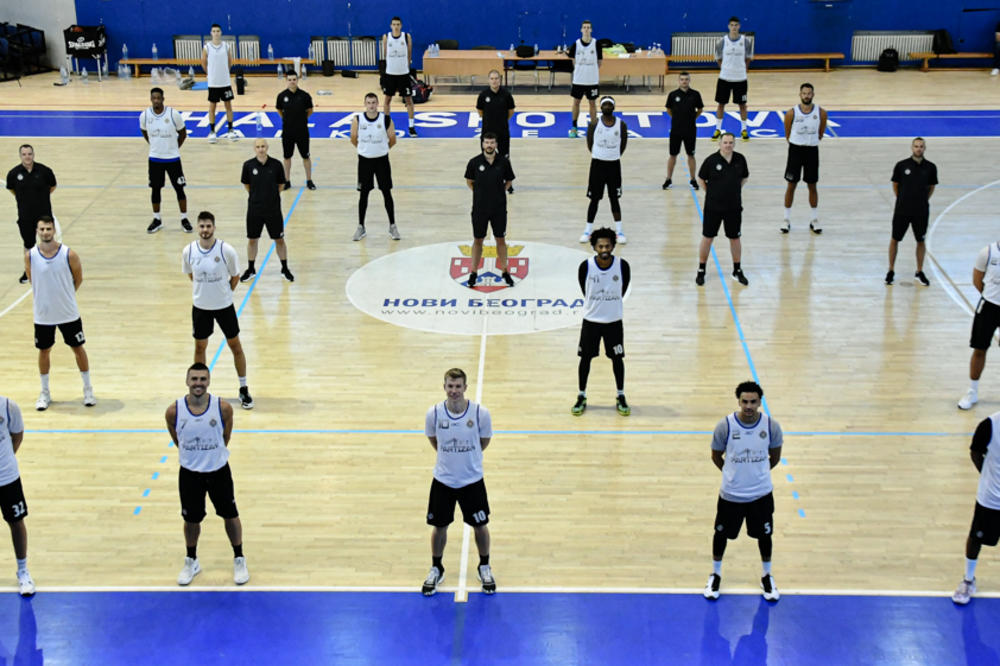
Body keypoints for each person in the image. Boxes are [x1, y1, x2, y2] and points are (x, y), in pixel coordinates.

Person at [165, 363, 249, 587]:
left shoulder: (222, 408)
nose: (198, 383)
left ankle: (239, 557)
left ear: (209, 381)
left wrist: (212, 456)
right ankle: (191, 559)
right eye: (194, 379)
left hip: (219, 471)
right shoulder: (174, 411)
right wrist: (193, 458)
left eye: (202, 379)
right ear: (187, 382)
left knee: (230, 514)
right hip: (190, 475)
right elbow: (177, 439)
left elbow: (225, 436)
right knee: (191, 519)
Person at [704, 381, 783, 602]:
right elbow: (715, 456)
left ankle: (766, 576)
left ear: (760, 402)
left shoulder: (770, 427)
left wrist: (756, 476)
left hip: (761, 495)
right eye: (745, 401)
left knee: (765, 536)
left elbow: (774, 457)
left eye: (753, 402)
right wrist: (733, 474)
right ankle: (715, 574)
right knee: (721, 534)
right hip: (731, 496)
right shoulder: (725, 426)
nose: (749, 406)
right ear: (738, 401)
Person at [421, 368, 495, 596]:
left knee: (480, 526)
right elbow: (435, 441)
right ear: (444, 387)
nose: (454, 391)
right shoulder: (433, 413)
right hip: (443, 481)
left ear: (465, 387)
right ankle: (437, 567)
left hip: (472, 480)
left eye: (458, 386)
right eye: (450, 386)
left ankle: (484, 565)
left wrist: (467, 459)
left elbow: (484, 440)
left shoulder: (480, 413)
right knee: (439, 527)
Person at [182, 211, 254, 410]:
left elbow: (235, 277)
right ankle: (199, 390)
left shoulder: (226, 251)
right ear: (198, 228)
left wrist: (223, 293)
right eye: (202, 226)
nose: (205, 230)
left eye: (208, 226)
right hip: (200, 308)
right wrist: (204, 293)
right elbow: (190, 274)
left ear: (214, 227)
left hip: (224, 307)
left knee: (235, 346)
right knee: (200, 348)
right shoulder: (188, 251)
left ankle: (243, 388)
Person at [25, 216, 95, 410]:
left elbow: (78, 278)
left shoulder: (68, 254)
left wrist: (65, 297)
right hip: (43, 315)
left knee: (78, 348)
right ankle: (45, 392)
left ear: (54, 230)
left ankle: (88, 389)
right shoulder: (30, 255)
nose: (45, 232)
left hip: (68, 312)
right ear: (37, 231)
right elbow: (33, 279)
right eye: (42, 229)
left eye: (48, 229)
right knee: (44, 351)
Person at [572, 227, 631, 417]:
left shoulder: (622, 266)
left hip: (614, 321)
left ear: (613, 246)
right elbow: (584, 289)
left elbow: (623, 288)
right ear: (594, 247)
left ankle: (620, 395)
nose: (604, 249)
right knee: (585, 359)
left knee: (617, 359)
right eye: (600, 246)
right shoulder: (585, 266)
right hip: (591, 321)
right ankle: (581, 395)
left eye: (607, 246)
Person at [952, 409, 1000, 604]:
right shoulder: (989, 425)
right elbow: (975, 452)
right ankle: (968, 580)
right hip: (991, 498)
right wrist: (986, 477)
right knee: (976, 539)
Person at [696, 133, 750, 286]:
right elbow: (700, 179)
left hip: (733, 207)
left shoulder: (740, 159)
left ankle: (737, 270)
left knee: (735, 237)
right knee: (708, 237)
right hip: (713, 207)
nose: (728, 145)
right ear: (719, 144)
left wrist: (734, 191)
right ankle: (701, 269)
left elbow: (744, 177)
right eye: (725, 142)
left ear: (734, 144)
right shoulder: (711, 161)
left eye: (731, 143)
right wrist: (712, 192)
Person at [464, 132, 515, 289]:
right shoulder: (474, 162)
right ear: (482, 144)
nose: (489, 145)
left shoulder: (504, 162)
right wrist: (481, 194)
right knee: (478, 239)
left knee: (500, 239)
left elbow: (509, 180)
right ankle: (473, 272)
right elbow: (469, 181)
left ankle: (505, 270)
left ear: (496, 144)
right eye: (486, 142)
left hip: (499, 208)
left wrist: (499, 192)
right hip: (480, 208)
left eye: (492, 142)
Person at [239, 139, 293, 283]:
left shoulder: (276, 165)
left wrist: (271, 197)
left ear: (267, 147)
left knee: (279, 239)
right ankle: (251, 269)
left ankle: (285, 268)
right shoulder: (248, 165)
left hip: (273, 210)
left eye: (263, 146)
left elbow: (281, 184)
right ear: (254, 149)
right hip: (254, 210)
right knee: (252, 239)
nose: (261, 149)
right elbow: (247, 185)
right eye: (258, 147)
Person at [886, 137, 937, 286]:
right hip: (902, 210)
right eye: (916, 146)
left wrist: (922, 200)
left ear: (925, 148)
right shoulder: (902, 165)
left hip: (921, 211)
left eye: (921, 146)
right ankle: (890, 270)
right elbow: (895, 185)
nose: (918, 149)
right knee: (895, 239)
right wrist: (902, 199)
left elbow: (931, 186)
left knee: (920, 240)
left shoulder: (930, 167)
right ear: (911, 148)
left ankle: (919, 271)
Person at [350, 92, 400, 242]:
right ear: (365, 104)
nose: (371, 106)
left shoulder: (385, 119)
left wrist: (381, 150)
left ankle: (392, 226)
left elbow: (393, 140)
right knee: (363, 195)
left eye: (373, 103)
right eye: (369, 103)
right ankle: (361, 227)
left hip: (382, 161)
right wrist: (366, 150)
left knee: (386, 193)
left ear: (377, 104)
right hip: (364, 162)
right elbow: (353, 139)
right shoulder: (357, 120)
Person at [140, 87, 190, 234]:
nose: (156, 100)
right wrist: (155, 146)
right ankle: (157, 219)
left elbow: (183, 133)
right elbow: (144, 132)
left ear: (163, 99)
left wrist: (174, 148)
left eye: (158, 98)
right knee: (155, 189)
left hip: (173, 159)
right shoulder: (144, 116)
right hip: (155, 159)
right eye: (153, 98)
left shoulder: (173, 114)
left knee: (179, 189)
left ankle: (184, 218)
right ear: (151, 99)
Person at [579, 96, 628, 245]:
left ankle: (619, 231)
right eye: (604, 104)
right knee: (594, 199)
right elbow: (589, 143)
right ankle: (587, 230)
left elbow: (623, 144)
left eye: (609, 104)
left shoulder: (621, 124)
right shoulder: (594, 124)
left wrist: (612, 155)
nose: (607, 106)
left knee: (614, 199)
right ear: (601, 107)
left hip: (614, 165)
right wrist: (599, 154)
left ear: (613, 107)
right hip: (597, 165)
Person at [957, 241, 1000, 410]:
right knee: (979, 349)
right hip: (988, 307)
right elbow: (977, 280)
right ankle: (972, 391)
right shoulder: (987, 252)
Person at [0, 395, 35, 596]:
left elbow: (18, 435)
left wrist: (6, 462)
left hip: (7, 477)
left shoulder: (8, 407)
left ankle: (23, 571)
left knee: (16, 522)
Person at [6, 145, 56, 284]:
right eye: (24, 154)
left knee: (47, 241)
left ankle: (50, 268)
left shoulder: (44, 171)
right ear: (20, 156)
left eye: (29, 154)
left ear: (33, 154)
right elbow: (11, 189)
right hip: (25, 215)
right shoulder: (14, 174)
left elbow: (52, 186)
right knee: (28, 244)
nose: (27, 157)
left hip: (43, 214)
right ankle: (29, 271)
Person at [781, 83, 827, 234]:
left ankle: (814, 219)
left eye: (809, 93)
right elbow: (787, 134)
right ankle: (786, 219)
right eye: (804, 93)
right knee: (791, 184)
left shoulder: (821, 113)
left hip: (812, 151)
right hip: (795, 150)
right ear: (799, 95)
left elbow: (821, 132)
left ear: (813, 95)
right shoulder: (791, 113)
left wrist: (812, 140)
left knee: (812, 185)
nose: (807, 96)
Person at [712, 16, 753, 142]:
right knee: (721, 104)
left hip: (740, 79)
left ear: (739, 26)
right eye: (732, 25)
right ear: (728, 26)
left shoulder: (746, 41)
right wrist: (725, 69)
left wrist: (742, 70)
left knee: (742, 105)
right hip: (724, 78)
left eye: (736, 25)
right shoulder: (721, 42)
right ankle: (718, 128)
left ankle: (744, 129)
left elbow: (748, 58)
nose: (734, 27)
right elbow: (718, 58)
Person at [475, 69, 516, 193]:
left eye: (496, 78)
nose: (494, 81)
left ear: (500, 80)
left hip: (503, 133)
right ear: (488, 80)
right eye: (492, 79)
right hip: (487, 133)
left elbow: (511, 111)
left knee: (505, 158)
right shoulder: (483, 95)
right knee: (486, 158)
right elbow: (480, 112)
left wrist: (501, 121)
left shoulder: (506, 95)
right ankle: (485, 181)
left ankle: (508, 182)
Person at [275, 70, 315, 191]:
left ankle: (309, 180)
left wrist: (301, 120)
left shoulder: (304, 96)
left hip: (302, 132)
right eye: (290, 80)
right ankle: (287, 180)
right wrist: (288, 120)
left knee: (306, 156)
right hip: (287, 132)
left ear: (297, 80)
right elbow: (279, 110)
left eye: (294, 79)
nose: (292, 82)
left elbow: (310, 110)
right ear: (286, 81)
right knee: (287, 157)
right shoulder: (281, 96)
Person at [663, 71, 704, 191]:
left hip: (690, 130)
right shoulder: (672, 94)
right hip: (676, 130)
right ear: (678, 81)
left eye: (686, 79)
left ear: (689, 81)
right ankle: (668, 179)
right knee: (672, 155)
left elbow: (700, 109)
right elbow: (668, 110)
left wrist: (691, 118)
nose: (684, 81)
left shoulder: (695, 94)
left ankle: (693, 179)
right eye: (682, 79)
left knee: (691, 155)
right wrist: (677, 119)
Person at [381, 16, 417, 137]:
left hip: (403, 74)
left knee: (408, 100)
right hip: (390, 74)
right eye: (394, 24)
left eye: (398, 24)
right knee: (387, 100)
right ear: (391, 26)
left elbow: (409, 54)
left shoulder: (406, 37)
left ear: (401, 26)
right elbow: (385, 54)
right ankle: (386, 126)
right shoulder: (386, 37)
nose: (396, 26)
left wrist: (405, 67)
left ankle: (411, 126)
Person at [201, 24, 237, 144]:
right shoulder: (207, 47)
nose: (216, 33)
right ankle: (212, 131)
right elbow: (203, 63)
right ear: (211, 33)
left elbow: (229, 61)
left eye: (218, 31)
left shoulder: (226, 46)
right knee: (212, 106)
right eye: (214, 31)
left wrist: (225, 73)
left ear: (221, 33)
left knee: (228, 106)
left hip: (225, 82)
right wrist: (210, 74)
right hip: (213, 83)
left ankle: (230, 130)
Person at [566, 20, 602, 139]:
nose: (586, 29)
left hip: (592, 79)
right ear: (581, 30)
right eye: (584, 27)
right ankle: (574, 127)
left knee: (592, 103)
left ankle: (594, 127)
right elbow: (572, 59)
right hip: (579, 79)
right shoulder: (576, 44)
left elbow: (599, 62)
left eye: (588, 27)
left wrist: (591, 70)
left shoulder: (596, 44)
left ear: (591, 30)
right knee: (576, 102)